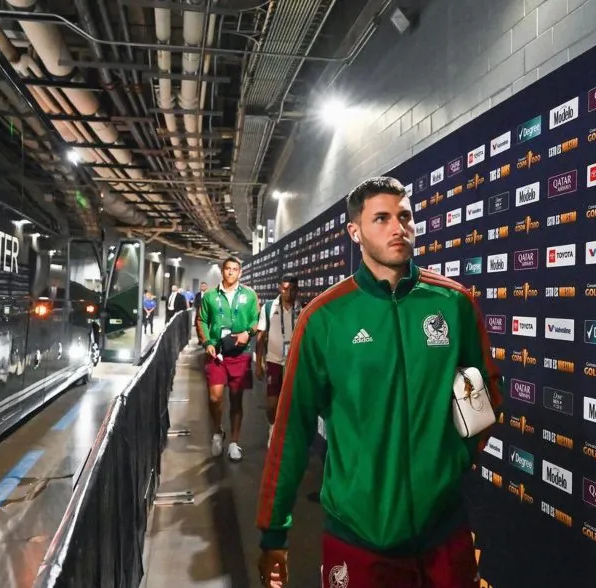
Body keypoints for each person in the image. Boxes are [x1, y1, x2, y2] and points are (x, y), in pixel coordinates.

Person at [256, 176, 502, 587]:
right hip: (357, 537)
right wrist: (273, 532)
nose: (398, 228)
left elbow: (486, 394)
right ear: (355, 232)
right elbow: (292, 429)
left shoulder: (455, 303)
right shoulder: (324, 318)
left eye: (405, 217)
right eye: (382, 218)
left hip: (444, 531)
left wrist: (453, 459)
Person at [196, 257, 260, 461]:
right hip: (217, 353)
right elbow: (201, 320)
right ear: (222, 271)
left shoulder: (250, 295)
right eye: (228, 269)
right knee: (214, 397)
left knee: (236, 398)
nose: (231, 272)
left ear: (240, 273)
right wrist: (207, 342)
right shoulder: (210, 296)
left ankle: (234, 442)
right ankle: (217, 430)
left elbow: (256, 319)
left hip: (240, 353)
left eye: (235, 269)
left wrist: (248, 333)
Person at [255, 274, 301, 448]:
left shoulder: (302, 308)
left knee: (293, 403)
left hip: (295, 363)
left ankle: (290, 435)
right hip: (273, 361)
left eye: (292, 289)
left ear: (297, 290)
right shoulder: (268, 307)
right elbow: (261, 336)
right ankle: (272, 428)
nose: (288, 293)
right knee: (272, 404)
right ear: (279, 288)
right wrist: (258, 363)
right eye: (285, 289)